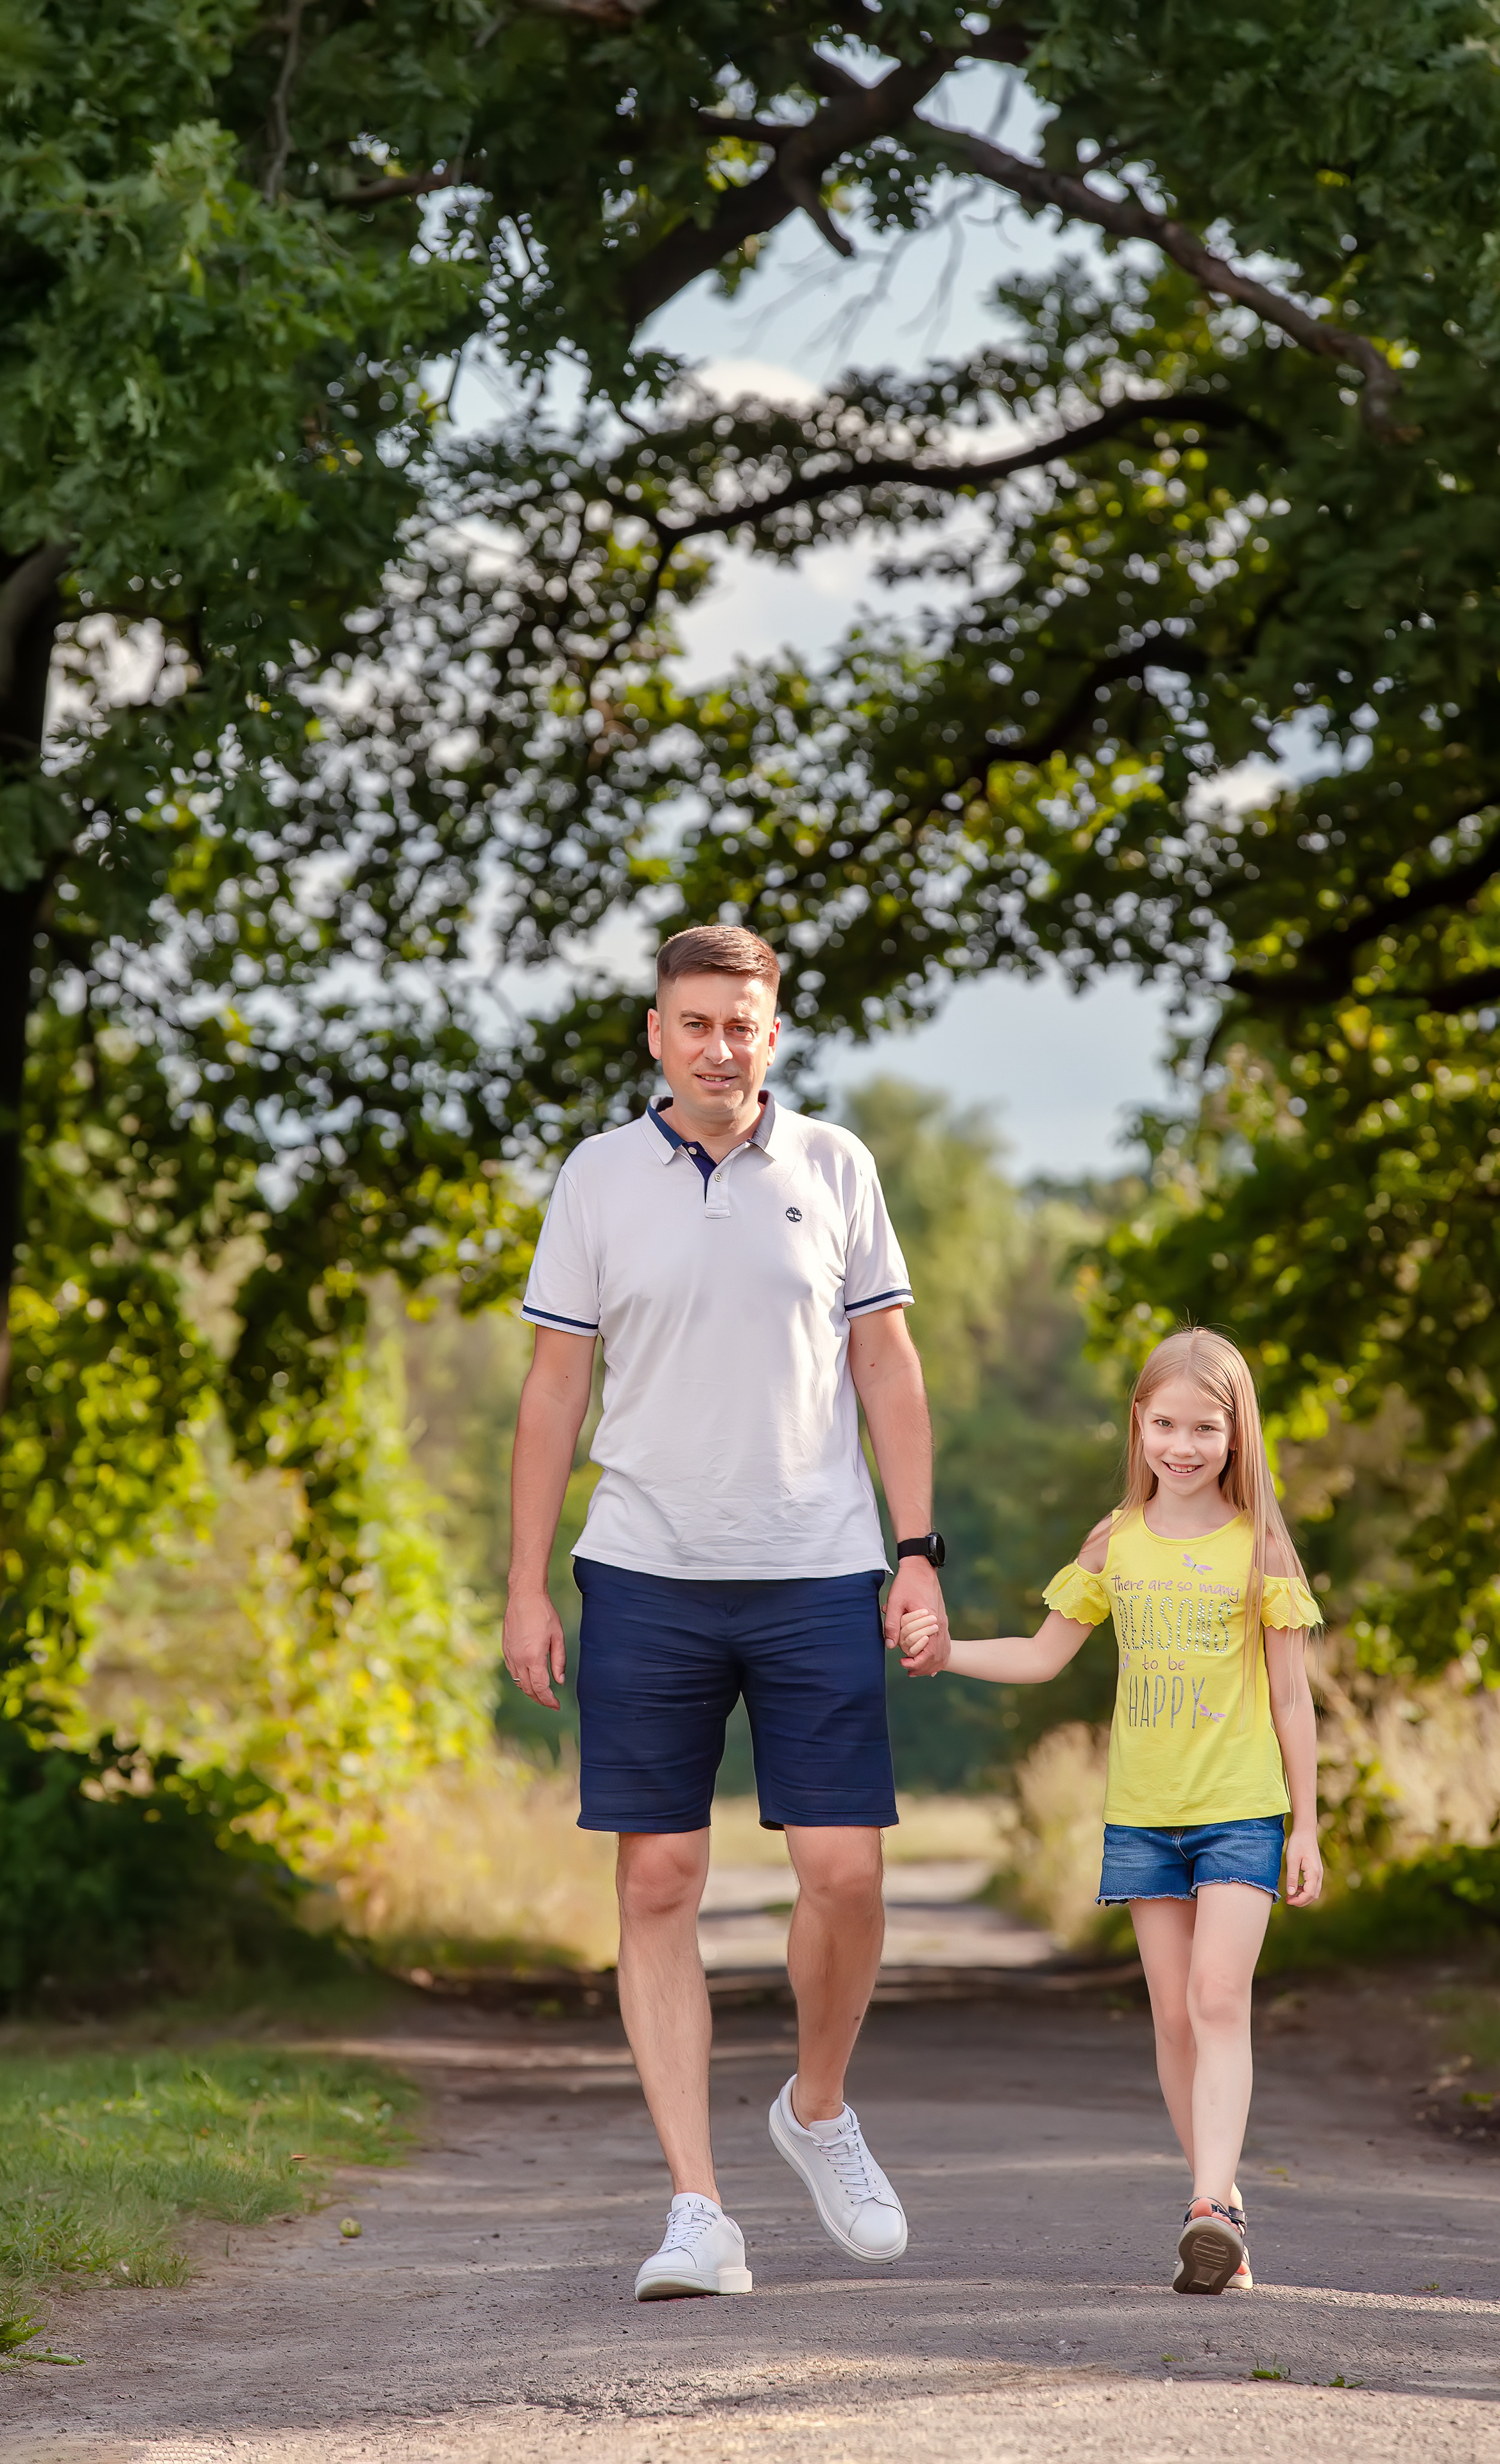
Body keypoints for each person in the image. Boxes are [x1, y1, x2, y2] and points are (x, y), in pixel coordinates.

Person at [502, 923, 951, 2302]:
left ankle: (815, 2106)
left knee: (844, 1874)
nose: (718, 1046)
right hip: (641, 1567)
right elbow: (551, 1394)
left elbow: (885, 1365)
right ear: (656, 1033)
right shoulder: (594, 1179)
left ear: (773, 1030)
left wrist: (917, 1551)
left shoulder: (834, 1167)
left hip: (818, 1565)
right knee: (656, 1880)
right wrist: (524, 1582)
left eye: (741, 1024)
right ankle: (696, 2207)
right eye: (694, 1023)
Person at [899, 1326, 1324, 2297]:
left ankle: (1209, 2206)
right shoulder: (1115, 1541)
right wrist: (947, 1649)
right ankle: (1220, 2213)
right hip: (1143, 1815)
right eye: (1165, 1424)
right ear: (1138, 1425)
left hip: (1241, 1811)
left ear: (1235, 1433)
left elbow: (1293, 1698)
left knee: (1219, 1999)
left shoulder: (1259, 1545)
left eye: (1204, 1428)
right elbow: (1046, 1654)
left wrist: (1306, 1823)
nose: (1182, 1445)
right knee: (1175, 2018)